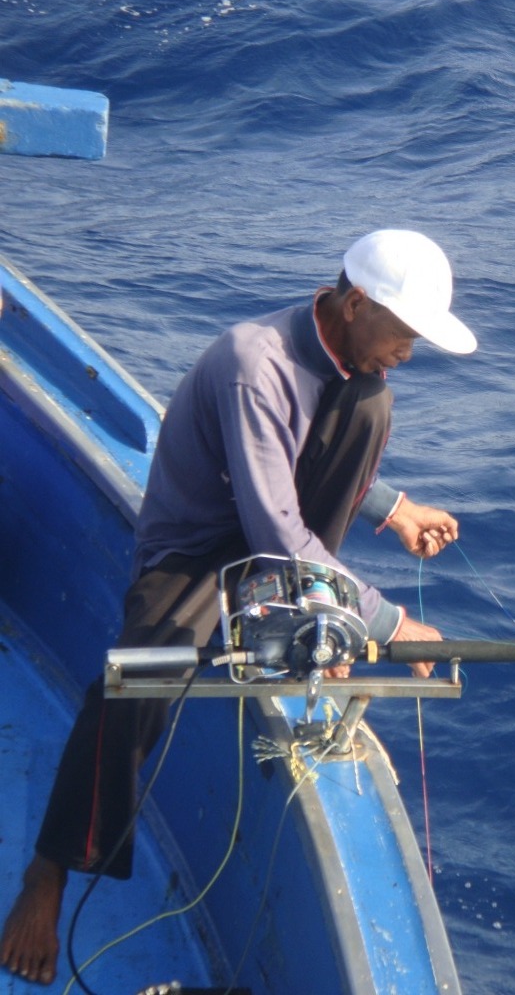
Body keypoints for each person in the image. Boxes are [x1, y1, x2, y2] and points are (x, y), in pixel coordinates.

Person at [0, 228, 477, 985]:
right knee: (137, 678)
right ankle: (47, 872)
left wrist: (395, 508)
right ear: (356, 304)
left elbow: (309, 469)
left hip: (274, 540)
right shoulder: (255, 364)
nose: (409, 352)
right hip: (195, 554)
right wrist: (388, 622)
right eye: (405, 332)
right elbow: (275, 529)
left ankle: (315, 613)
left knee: (371, 405)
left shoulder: (358, 373)